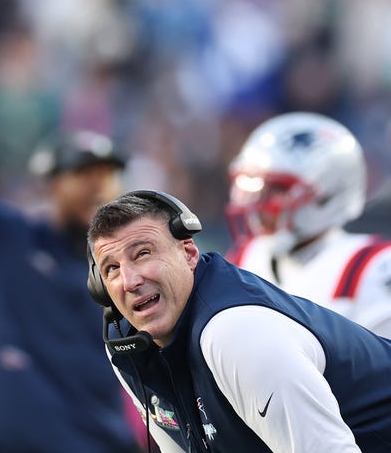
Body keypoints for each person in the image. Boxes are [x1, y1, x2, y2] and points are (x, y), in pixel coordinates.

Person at [86, 189, 391, 453]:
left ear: (189, 253)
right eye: (111, 268)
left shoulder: (236, 333)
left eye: (142, 254)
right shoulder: (128, 346)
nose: (129, 280)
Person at [0, 129, 143, 452]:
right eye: (82, 174)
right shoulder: (8, 238)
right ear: (52, 184)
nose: (97, 186)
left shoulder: (128, 274)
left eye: (107, 175)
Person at [224, 111, 391, 338]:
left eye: (277, 189)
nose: (257, 202)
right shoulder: (245, 258)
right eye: (252, 183)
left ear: (327, 197)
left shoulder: (371, 267)